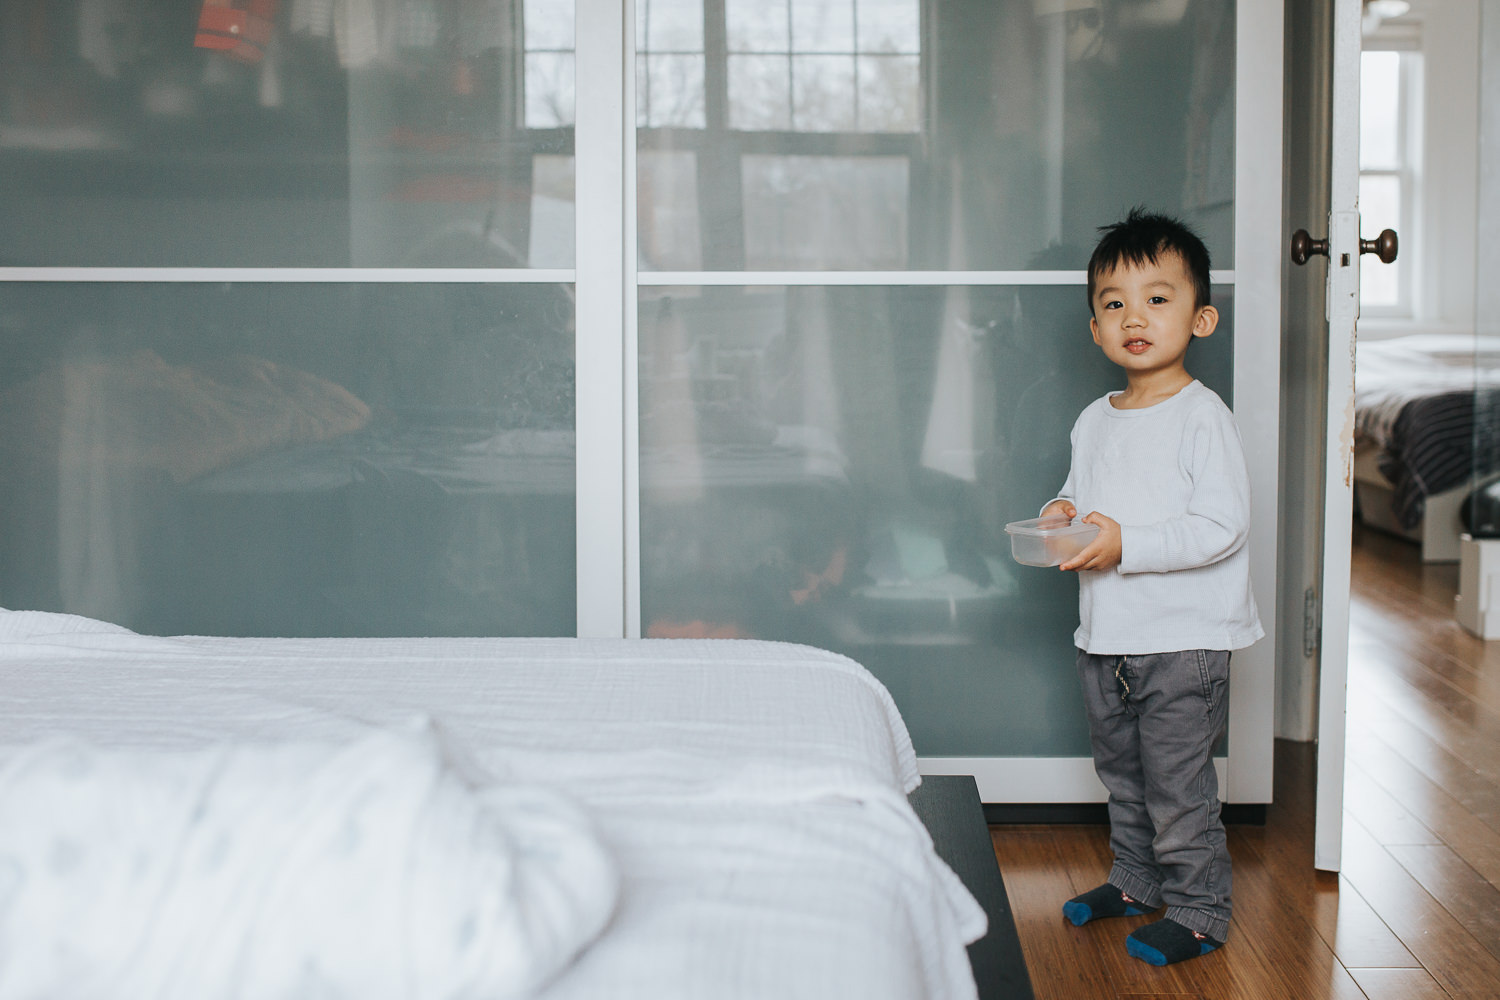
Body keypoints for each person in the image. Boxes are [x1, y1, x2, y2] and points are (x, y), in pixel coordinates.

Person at [1039, 208, 1263, 966]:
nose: (1135, 316)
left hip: (1183, 642)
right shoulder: (1094, 418)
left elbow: (1220, 527)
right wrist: (1060, 512)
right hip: (1107, 637)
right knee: (1125, 776)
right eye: (1113, 303)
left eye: (1158, 298)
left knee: (1178, 786)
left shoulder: (1204, 418)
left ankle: (1200, 911)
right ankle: (1136, 882)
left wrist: (1124, 543)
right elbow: (1080, 490)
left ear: (1201, 318)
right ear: (1095, 328)